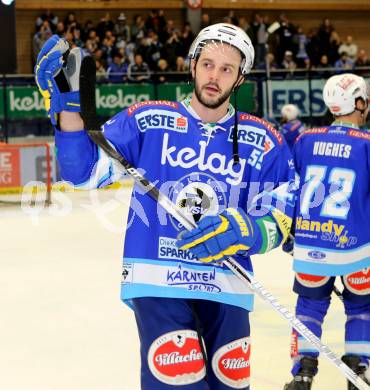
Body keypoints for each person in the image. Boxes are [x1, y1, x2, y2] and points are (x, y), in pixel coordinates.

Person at [35, 24, 296, 389]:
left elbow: (286, 213)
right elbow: (83, 174)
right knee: (180, 382)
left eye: (226, 69)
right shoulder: (147, 118)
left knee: (230, 384)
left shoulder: (265, 140)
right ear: (192, 65)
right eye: (207, 64)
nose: (214, 76)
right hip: (158, 277)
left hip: (228, 282)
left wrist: (248, 230)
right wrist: (69, 111)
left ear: (240, 78)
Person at [283, 73, 370, 390]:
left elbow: (291, 189)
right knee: (361, 307)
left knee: (309, 307)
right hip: (358, 248)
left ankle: (302, 373)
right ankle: (357, 372)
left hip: (311, 243)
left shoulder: (305, 139)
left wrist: (291, 232)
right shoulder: (368, 145)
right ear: (357, 102)